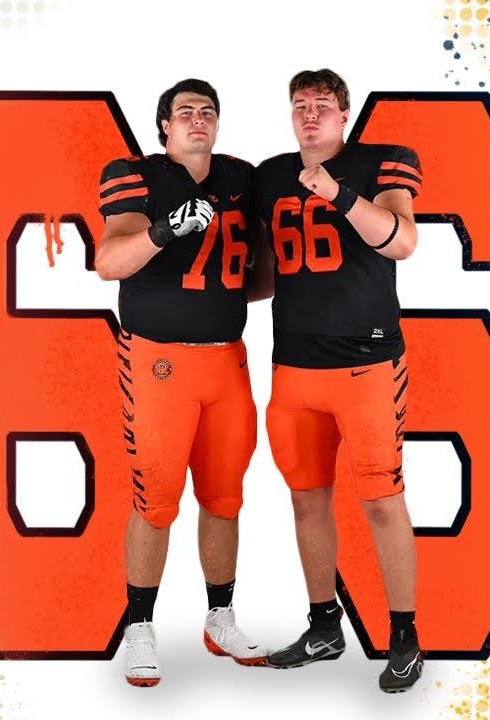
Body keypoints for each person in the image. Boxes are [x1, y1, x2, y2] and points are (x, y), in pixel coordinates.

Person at [253, 68, 423, 693]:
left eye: (322, 105)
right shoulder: (270, 176)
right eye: (299, 104)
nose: (310, 114)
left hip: (367, 363)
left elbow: (402, 241)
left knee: (381, 500)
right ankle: (324, 624)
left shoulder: (380, 163)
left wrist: (339, 195)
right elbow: (265, 273)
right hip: (293, 366)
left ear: (344, 115)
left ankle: (404, 633)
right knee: (306, 498)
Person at [96, 78, 271, 686]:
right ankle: (139, 624)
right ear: (164, 126)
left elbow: (261, 277)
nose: (198, 120)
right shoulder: (136, 175)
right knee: (157, 497)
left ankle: (219, 616)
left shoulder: (240, 178)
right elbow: (108, 262)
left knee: (224, 497)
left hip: (227, 359)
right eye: (185, 113)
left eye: (208, 112)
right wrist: (165, 230)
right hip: (158, 361)